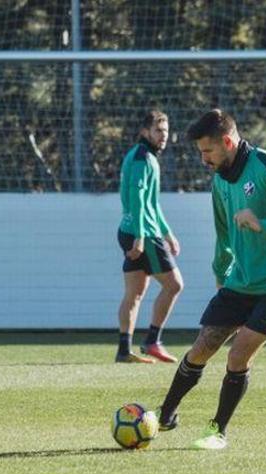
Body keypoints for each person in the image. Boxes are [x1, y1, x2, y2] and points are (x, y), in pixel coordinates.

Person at [157, 108, 266, 449]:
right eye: (200, 152)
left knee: (239, 354)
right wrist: (222, 275)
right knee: (203, 346)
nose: (203, 159)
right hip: (243, 281)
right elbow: (224, 235)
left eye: (208, 151)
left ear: (228, 142)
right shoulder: (220, 181)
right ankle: (164, 416)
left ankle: (217, 431)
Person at [116, 110, 183, 364]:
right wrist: (142, 237)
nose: (164, 136)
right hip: (141, 233)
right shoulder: (143, 159)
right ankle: (153, 340)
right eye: (159, 131)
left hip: (132, 230)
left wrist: (168, 233)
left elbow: (152, 204)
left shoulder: (143, 156)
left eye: (166, 131)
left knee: (134, 293)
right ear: (145, 132)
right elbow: (138, 201)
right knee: (174, 284)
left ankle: (124, 351)